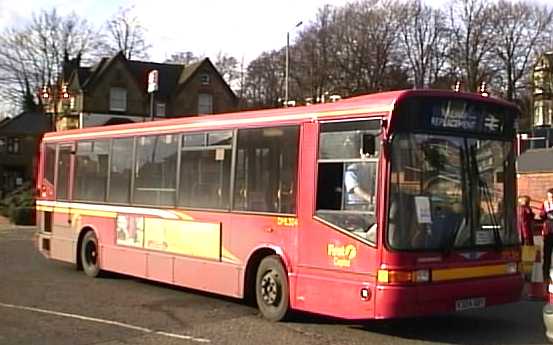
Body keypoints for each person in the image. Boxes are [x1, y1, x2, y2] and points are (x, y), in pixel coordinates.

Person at [540, 189, 553, 281]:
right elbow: (541, 215)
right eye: (548, 196)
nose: (550, 198)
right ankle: (545, 275)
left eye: (551, 197)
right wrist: (545, 213)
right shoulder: (545, 204)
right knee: (547, 254)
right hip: (548, 232)